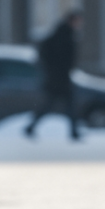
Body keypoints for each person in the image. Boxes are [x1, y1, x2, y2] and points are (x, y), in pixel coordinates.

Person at [24, 11, 83, 140]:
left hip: (59, 78)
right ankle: (31, 127)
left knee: (61, 105)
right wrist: (54, 71)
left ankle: (73, 131)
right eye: (77, 21)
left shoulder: (65, 34)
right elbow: (58, 57)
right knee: (56, 105)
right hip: (58, 79)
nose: (79, 24)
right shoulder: (63, 35)